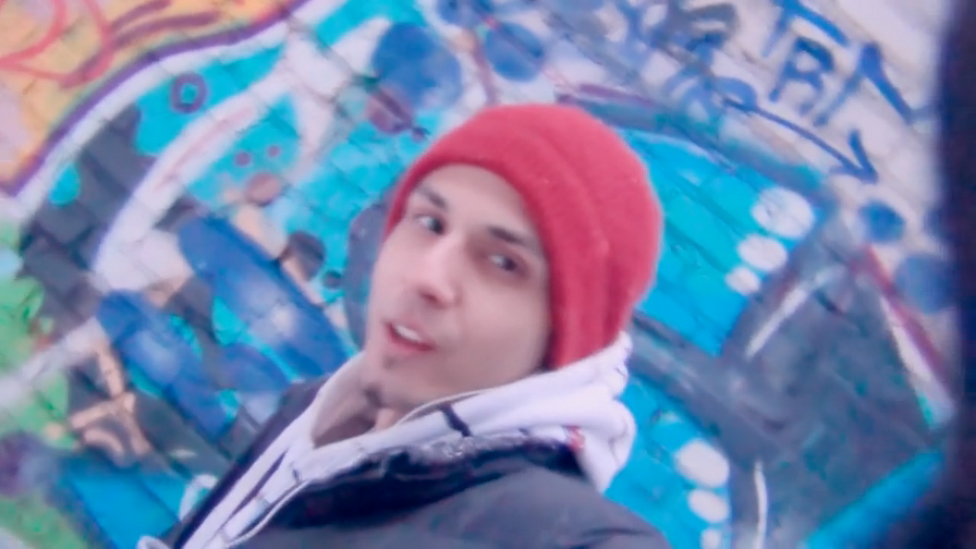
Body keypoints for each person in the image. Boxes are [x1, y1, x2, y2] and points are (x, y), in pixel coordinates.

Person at [138, 103, 671, 549]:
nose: (427, 276)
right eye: (429, 223)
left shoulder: (564, 538)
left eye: (503, 262)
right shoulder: (310, 415)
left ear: (562, 339)